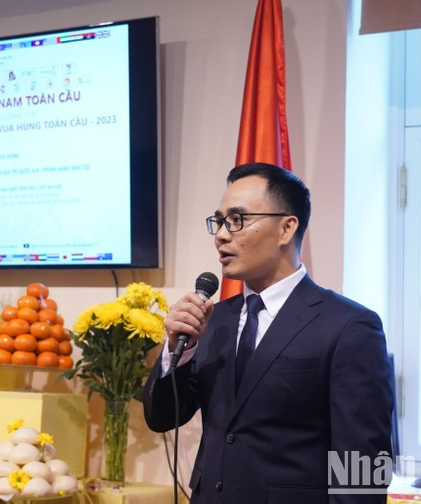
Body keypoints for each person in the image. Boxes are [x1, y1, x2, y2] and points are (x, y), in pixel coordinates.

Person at [143, 163, 394, 503]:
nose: (221, 234)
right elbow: (160, 417)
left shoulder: (349, 326)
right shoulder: (214, 321)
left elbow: (361, 468)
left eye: (238, 220)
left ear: (286, 228)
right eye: (219, 221)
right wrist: (177, 349)